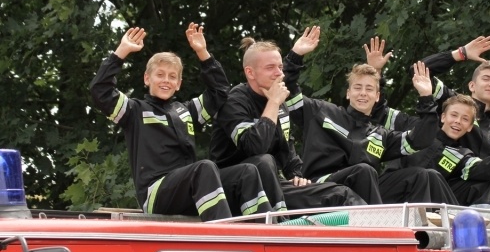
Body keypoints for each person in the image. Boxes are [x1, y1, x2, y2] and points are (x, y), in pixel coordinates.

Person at [90, 24, 271, 221]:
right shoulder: (134, 111)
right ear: (147, 78)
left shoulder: (187, 111)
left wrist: (202, 52)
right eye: (160, 75)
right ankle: (223, 234)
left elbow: (220, 92)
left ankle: (265, 233)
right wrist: (121, 51)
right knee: (205, 168)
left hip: (191, 189)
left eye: (172, 76)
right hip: (156, 194)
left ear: (179, 84)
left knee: (247, 172)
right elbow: (100, 91)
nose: (166, 80)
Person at [366, 36, 490, 210]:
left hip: (484, 179)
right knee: (478, 179)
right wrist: (460, 53)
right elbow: (419, 72)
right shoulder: (453, 102)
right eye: (486, 78)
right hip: (446, 184)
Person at [284, 28, 456, 206]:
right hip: (323, 187)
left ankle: (439, 222)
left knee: (423, 175)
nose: (363, 93)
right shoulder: (321, 111)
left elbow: (420, 139)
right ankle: (376, 222)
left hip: (365, 191)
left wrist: (426, 97)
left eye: (369, 89)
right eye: (358, 88)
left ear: (377, 96)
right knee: (364, 171)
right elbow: (287, 92)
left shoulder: (380, 135)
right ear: (348, 93)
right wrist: (296, 55)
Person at [209, 34, 368, 211]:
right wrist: (273, 103)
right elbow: (255, 147)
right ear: (250, 73)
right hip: (234, 188)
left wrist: (297, 175)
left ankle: (380, 226)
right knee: (264, 161)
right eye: (270, 68)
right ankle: (280, 222)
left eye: (280, 67)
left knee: (342, 194)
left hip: (272, 185)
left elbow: (287, 151)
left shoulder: (279, 102)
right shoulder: (234, 101)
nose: (279, 73)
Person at [402, 94, 490, 208]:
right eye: (454, 115)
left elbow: (489, 169)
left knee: (483, 182)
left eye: (465, 119)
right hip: (399, 199)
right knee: (428, 175)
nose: (458, 121)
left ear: (469, 127)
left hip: (434, 208)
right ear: (443, 117)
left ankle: (489, 227)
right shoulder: (419, 134)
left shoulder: (461, 154)